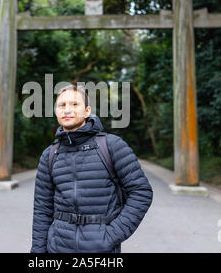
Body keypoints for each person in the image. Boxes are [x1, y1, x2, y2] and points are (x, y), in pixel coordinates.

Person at [31, 83, 153, 253]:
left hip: (101, 249)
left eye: (74, 104)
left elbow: (141, 192)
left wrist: (110, 236)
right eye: (62, 105)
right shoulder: (50, 155)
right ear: (56, 112)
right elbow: (42, 209)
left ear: (87, 111)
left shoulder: (111, 146)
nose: (67, 110)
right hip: (58, 247)